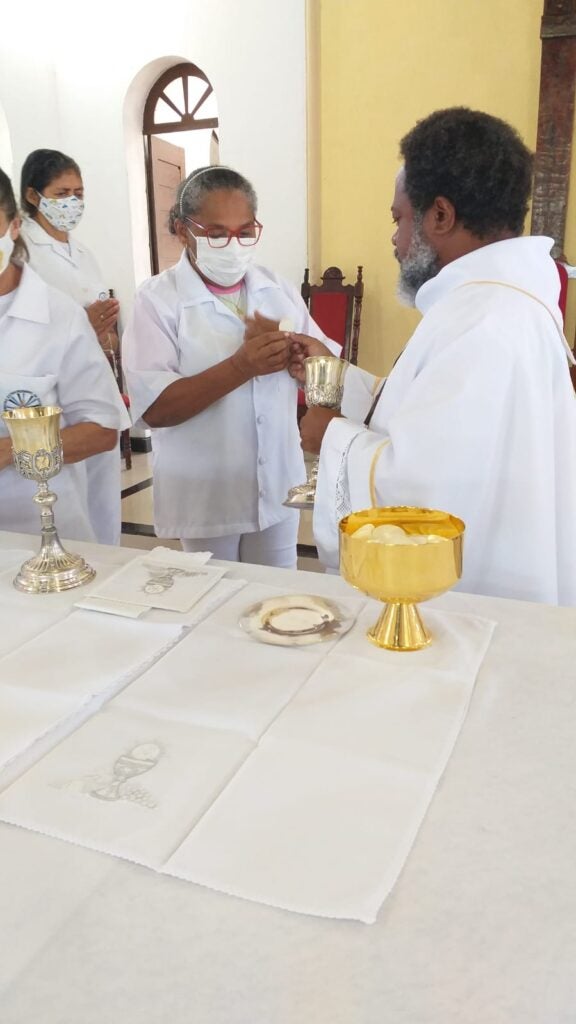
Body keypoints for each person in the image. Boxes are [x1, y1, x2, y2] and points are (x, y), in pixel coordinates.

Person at [293, 108, 576, 605]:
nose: (396, 240)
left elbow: (422, 490)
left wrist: (329, 435)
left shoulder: (485, 319)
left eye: (399, 218)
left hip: (476, 592)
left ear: (440, 216)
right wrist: (334, 376)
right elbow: (428, 412)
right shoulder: (491, 304)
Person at [123, 165, 336, 567]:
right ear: (182, 229)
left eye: (244, 232)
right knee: (212, 605)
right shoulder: (157, 301)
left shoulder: (277, 288)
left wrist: (303, 358)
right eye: (216, 234)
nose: (233, 244)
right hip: (206, 491)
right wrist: (241, 367)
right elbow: (156, 409)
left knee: (276, 597)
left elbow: (324, 360)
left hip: (276, 479)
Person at [0, 168, 130, 543]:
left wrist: (12, 449)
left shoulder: (57, 316)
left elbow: (102, 430)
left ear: (12, 226)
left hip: (44, 533)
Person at [19, 149, 119, 346]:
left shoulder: (84, 254)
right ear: (32, 196)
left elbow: (106, 335)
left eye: (78, 194)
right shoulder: (19, 250)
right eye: (62, 194)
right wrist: (82, 325)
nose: (72, 202)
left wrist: (108, 338)